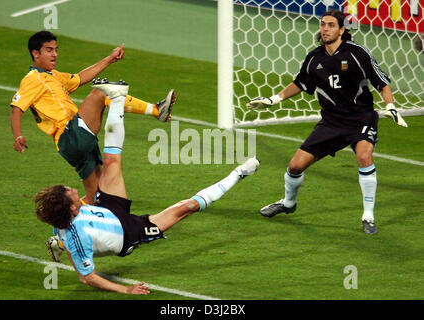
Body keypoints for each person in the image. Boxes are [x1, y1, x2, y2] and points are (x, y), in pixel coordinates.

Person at [35, 80, 260, 294]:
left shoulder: (63, 221)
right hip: (129, 232)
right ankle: (239, 174)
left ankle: (117, 98)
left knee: (112, 160)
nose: (74, 190)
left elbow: (68, 227)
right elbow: (87, 277)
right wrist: (125, 289)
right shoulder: (76, 236)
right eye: (70, 193)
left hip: (110, 209)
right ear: (72, 208)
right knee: (187, 208)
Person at [247, 10, 408, 235]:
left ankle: (368, 216)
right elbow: (301, 83)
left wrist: (390, 105)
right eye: (323, 25)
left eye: (331, 25)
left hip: (360, 118)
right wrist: (273, 99)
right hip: (331, 122)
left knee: (364, 156)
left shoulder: (357, 53)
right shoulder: (314, 58)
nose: (325, 29)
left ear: (342, 30)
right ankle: (288, 203)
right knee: (295, 166)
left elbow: (381, 81)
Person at [11, 30, 176, 206]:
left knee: (95, 199)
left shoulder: (53, 76)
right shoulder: (32, 79)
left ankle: (61, 225)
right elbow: (16, 107)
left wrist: (110, 59)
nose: (55, 54)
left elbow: (81, 78)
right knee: (101, 92)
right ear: (35, 53)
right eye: (49, 50)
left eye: (56, 49)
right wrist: (18, 135)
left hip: (70, 145)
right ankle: (157, 110)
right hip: (71, 135)